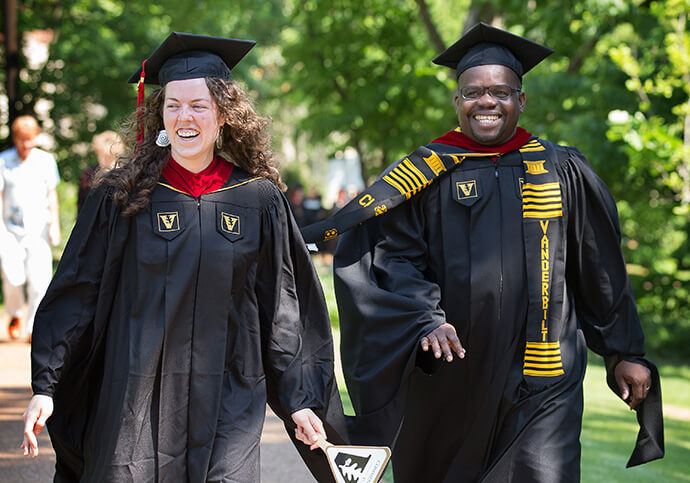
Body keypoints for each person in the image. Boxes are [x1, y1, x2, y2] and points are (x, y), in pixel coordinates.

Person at [303, 23, 663, 482]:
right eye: (473, 92)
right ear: (457, 102)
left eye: (500, 91)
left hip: (546, 378)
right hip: (453, 379)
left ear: (521, 100)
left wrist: (623, 351)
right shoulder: (426, 173)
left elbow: (601, 268)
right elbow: (389, 258)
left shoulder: (562, 169)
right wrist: (425, 319)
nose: (487, 102)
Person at [21, 32, 346, 482]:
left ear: (224, 115)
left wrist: (301, 399)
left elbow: (284, 309)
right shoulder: (121, 199)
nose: (184, 117)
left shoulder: (257, 200)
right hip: (135, 396)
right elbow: (78, 291)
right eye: (173, 105)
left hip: (228, 398)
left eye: (199, 105)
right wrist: (47, 384)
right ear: (159, 115)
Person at [0, 115, 61, 341]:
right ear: (15, 139)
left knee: (39, 281)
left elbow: (51, 194)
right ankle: (15, 313)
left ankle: (33, 327)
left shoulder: (45, 161)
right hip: (10, 230)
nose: (26, 145)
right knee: (13, 278)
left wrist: (54, 224)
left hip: (38, 230)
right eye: (21, 140)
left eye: (30, 139)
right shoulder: (4, 161)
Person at [77, 130, 124, 212]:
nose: (103, 160)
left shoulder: (126, 175)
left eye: (108, 157)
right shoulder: (89, 173)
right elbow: (81, 204)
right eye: (100, 155)